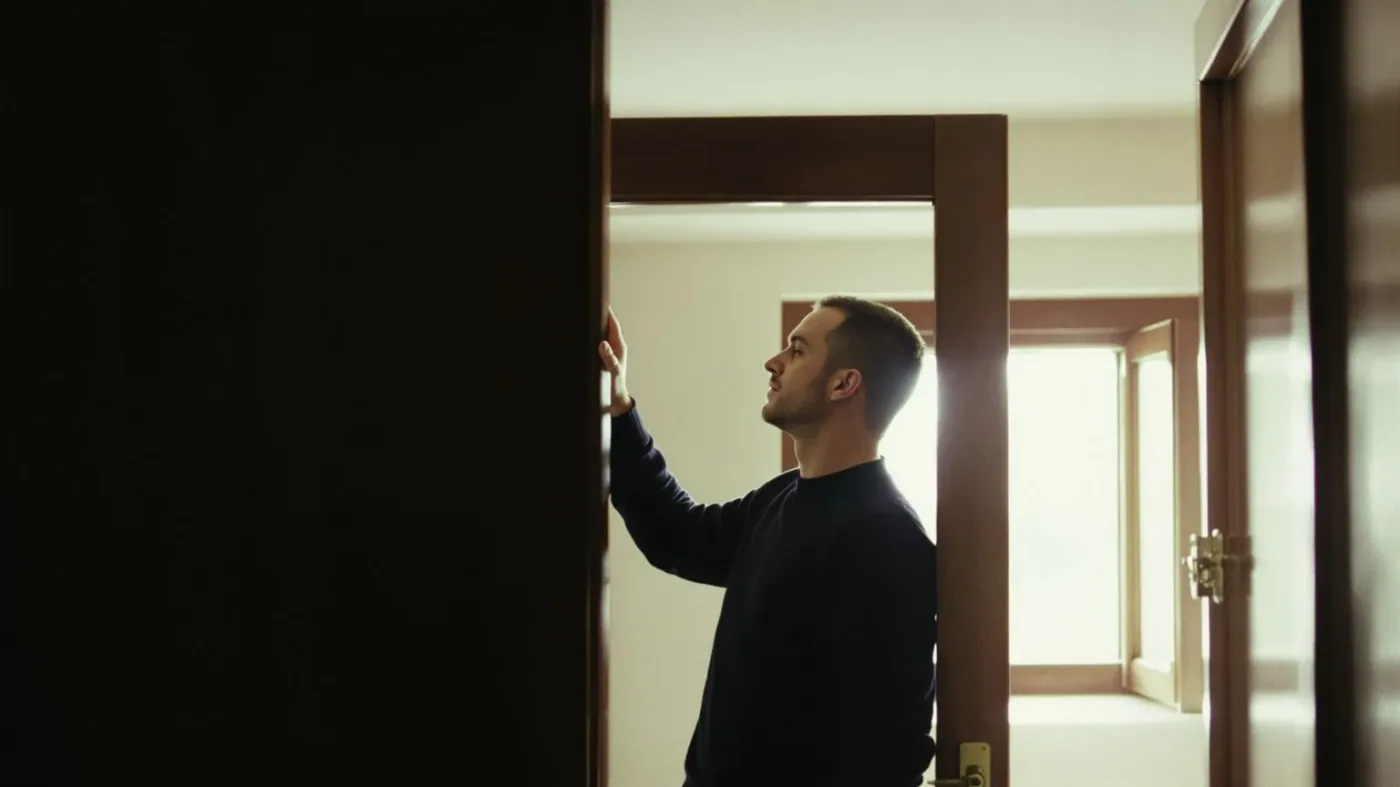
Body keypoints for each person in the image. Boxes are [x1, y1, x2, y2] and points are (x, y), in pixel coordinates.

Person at [599, 295, 939, 787]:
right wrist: (620, 406)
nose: (773, 363)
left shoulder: (884, 537)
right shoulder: (781, 497)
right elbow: (678, 536)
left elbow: (887, 746)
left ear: (844, 384)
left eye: (797, 351)